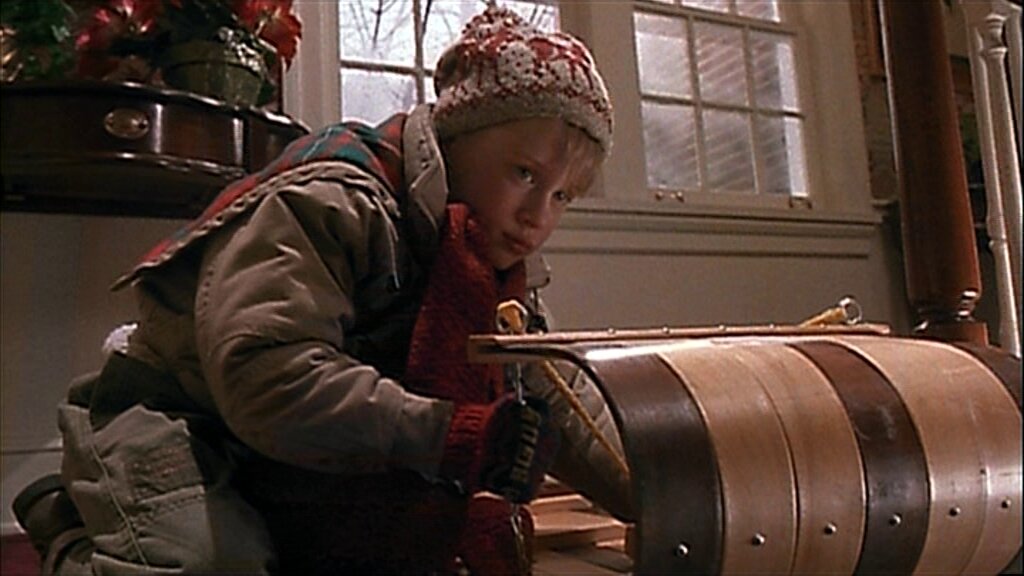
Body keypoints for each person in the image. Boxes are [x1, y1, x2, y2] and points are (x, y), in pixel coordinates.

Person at [13, 5, 631, 574]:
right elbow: (269, 375)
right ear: (454, 135)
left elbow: (567, 401)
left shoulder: (486, 266)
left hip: (293, 455)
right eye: (524, 173)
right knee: (214, 564)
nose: (538, 217)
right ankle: (68, 530)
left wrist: (660, 486)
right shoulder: (333, 200)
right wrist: (449, 433)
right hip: (180, 418)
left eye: (562, 195)